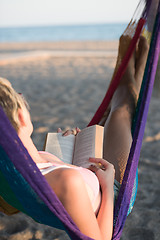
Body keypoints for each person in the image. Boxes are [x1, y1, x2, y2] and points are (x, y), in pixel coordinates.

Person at [0, 35, 148, 240]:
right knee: (121, 111)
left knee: (106, 121)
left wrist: (65, 148)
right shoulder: (65, 180)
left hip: (88, 171)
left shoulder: (16, 167)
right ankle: (134, 77)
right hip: (114, 191)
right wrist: (106, 183)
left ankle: (134, 78)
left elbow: (57, 179)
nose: (23, 98)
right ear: (20, 117)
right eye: (19, 96)